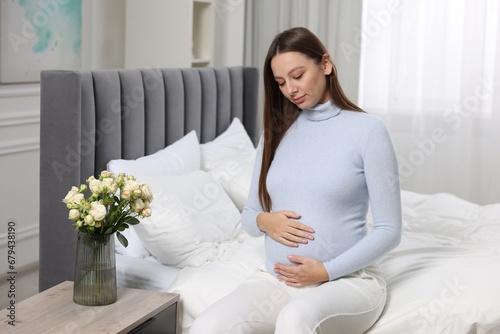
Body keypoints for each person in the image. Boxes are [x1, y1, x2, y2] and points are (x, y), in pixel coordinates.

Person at [190, 26, 402, 334]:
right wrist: (267, 221)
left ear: (325, 64)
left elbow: (389, 230)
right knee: (207, 325)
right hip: (277, 280)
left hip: (347, 282)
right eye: (280, 82)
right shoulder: (275, 133)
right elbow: (249, 218)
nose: (290, 89)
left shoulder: (368, 131)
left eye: (298, 75)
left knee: (294, 320)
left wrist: (326, 271)